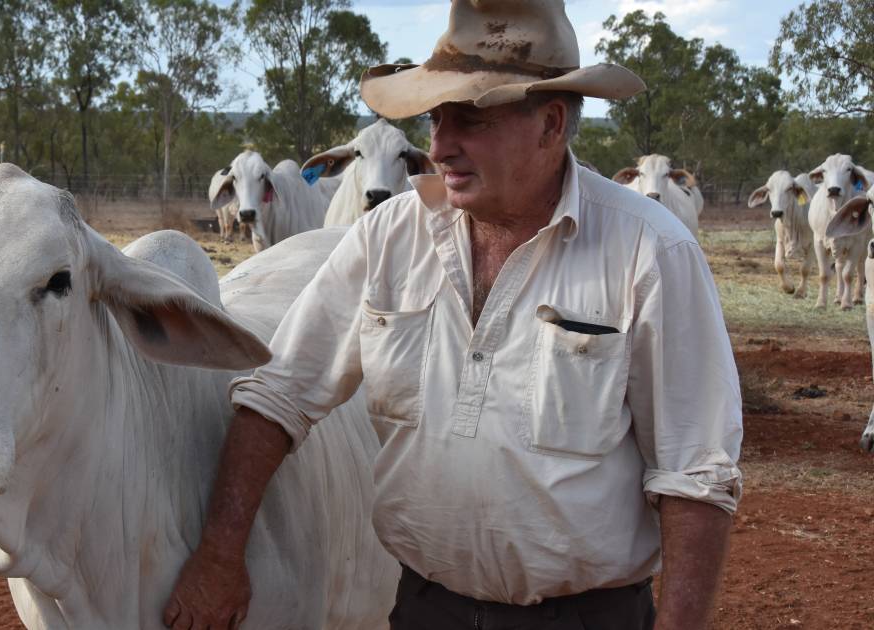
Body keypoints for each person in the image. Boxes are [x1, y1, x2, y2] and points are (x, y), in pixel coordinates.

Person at [163, 1, 743, 628]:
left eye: (468, 118)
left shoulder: (648, 250)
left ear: (551, 124)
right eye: (436, 117)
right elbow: (278, 394)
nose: (439, 146)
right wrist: (220, 554)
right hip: (424, 609)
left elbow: (694, 477)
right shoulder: (389, 236)